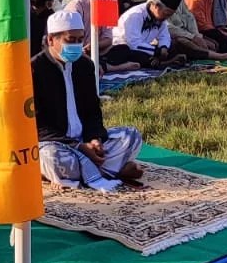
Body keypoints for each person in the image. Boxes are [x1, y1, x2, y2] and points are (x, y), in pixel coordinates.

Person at [31, 10, 144, 189]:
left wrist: (94, 139)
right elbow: (37, 126)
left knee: (131, 135)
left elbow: (93, 110)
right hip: (55, 143)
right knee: (53, 158)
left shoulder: (85, 65)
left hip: (84, 139)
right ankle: (113, 170)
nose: (77, 45)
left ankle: (81, 173)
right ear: (51, 39)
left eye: (80, 39)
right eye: (70, 40)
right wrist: (78, 146)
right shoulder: (34, 70)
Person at [110, 0, 182, 68]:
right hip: (123, 46)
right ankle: (163, 63)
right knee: (138, 56)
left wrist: (163, 47)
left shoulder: (160, 17)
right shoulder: (136, 15)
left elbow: (164, 36)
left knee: (172, 47)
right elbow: (133, 43)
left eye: (169, 15)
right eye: (166, 14)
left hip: (145, 46)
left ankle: (160, 61)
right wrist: (157, 51)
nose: (167, 17)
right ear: (156, 6)